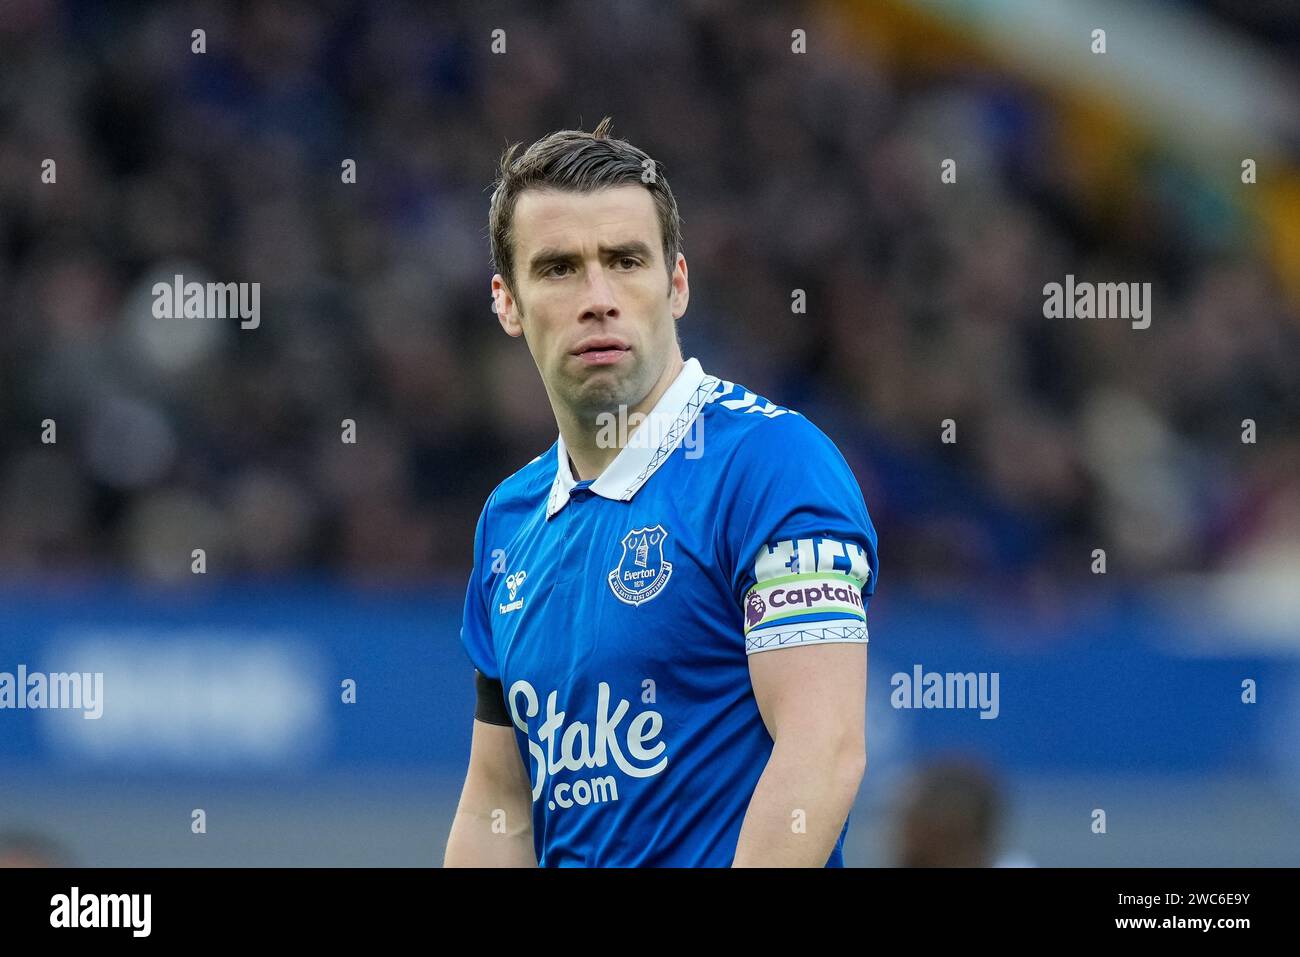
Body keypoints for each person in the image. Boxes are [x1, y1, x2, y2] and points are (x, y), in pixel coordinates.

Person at [443, 118, 879, 867]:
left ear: (676, 283)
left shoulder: (772, 465)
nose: (599, 297)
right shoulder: (507, 523)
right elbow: (498, 804)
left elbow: (823, 750)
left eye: (626, 260)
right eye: (557, 269)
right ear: (507, 302)